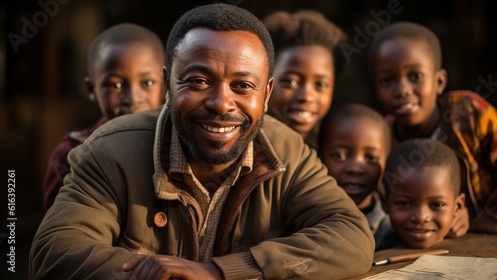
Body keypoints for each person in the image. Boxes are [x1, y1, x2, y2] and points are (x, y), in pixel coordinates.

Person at [30, 4, 374, 280]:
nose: (221, 103)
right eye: (197, 81)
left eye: (242, 86)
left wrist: (221, 272)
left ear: (267, 94)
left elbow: (351, 238)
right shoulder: (109, 151)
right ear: (168, 84)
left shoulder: (286, 151)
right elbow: (54, 252)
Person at [368, 21, 497, 234]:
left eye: (415, 76)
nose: (402, 90)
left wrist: (481, 220)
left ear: (439, 81)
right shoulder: (380, 140)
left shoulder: (469, 113)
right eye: (387, 80)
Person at [41, 23, 165, 212]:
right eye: (115, 85)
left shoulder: (175, 147)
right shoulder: (72, 154)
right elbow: (58, 229)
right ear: (92, 89)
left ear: (165, 85)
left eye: (147, 83)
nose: (132, 98)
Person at [263, 10, 347, 149]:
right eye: (291, 82)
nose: (306, 97)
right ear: (266, 81)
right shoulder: (242, 150)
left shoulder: (335, 156)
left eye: (320, 84)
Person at [318, 103, 392, 249]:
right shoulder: (303, 222)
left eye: (371, 158)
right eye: (340, 156)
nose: (355, 169)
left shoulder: (392, 231)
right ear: (319, 156)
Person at [378, 138, 466, 250]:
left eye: (437, 205)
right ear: (385, 203)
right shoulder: (376, 250)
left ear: (457, 207)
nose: (421, 217)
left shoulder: (468, 247)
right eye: (404, 204)